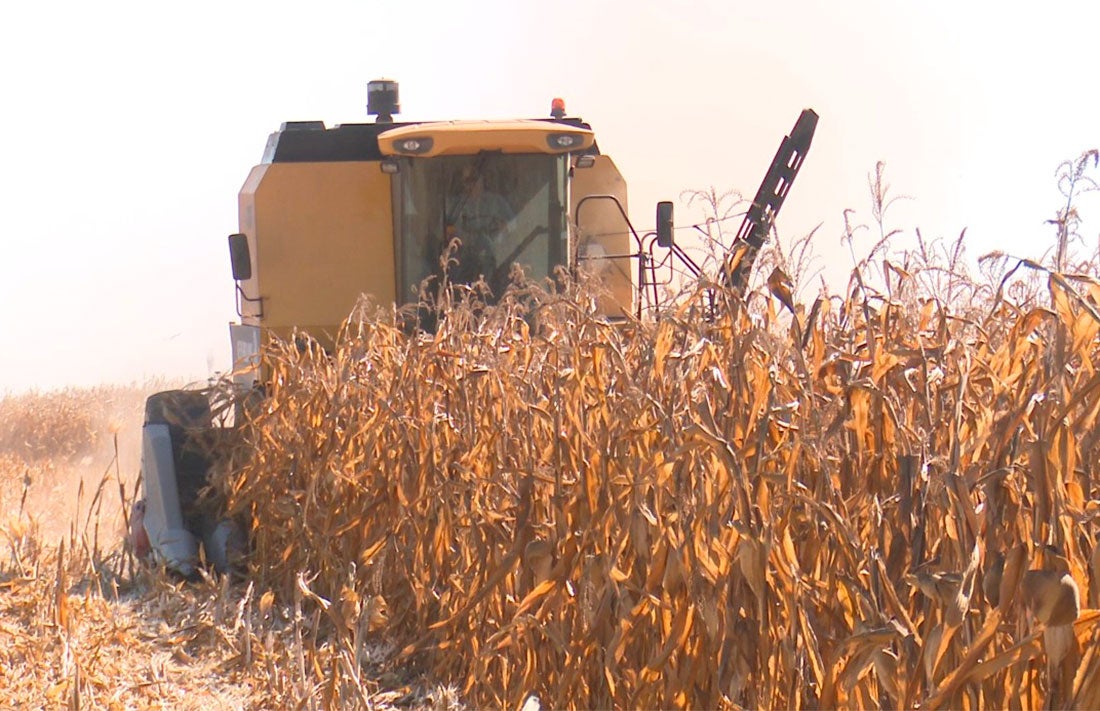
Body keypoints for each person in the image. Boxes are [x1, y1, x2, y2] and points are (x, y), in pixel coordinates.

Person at [444, 169, 514, 285]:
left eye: (475, 179)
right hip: (462, 260)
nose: (472, 184)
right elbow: (443, 231)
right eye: (468, 180)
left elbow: (515, 226)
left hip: (494, 257)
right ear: (462, 183)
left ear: (482, 179)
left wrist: (503, 229)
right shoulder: (453, 206)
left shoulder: (497, 203)